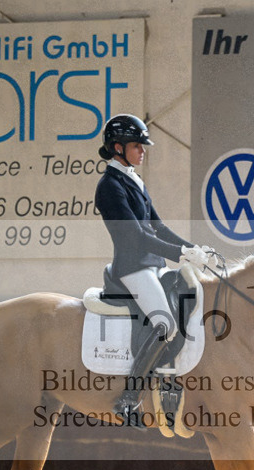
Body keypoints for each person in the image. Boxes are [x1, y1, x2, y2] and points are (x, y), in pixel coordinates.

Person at [94, 114, 212, 427]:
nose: (143, 150)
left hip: (152, 265)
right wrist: (179, 253)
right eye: (137, 145)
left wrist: (192, 249)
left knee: (187, 299)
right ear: (117, 148)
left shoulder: (133, 178)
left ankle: (167, 381)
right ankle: (129, 400)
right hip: (132, 268)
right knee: (164, 323)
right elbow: (136, 236)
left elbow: (157, 226)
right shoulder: (109, 186)